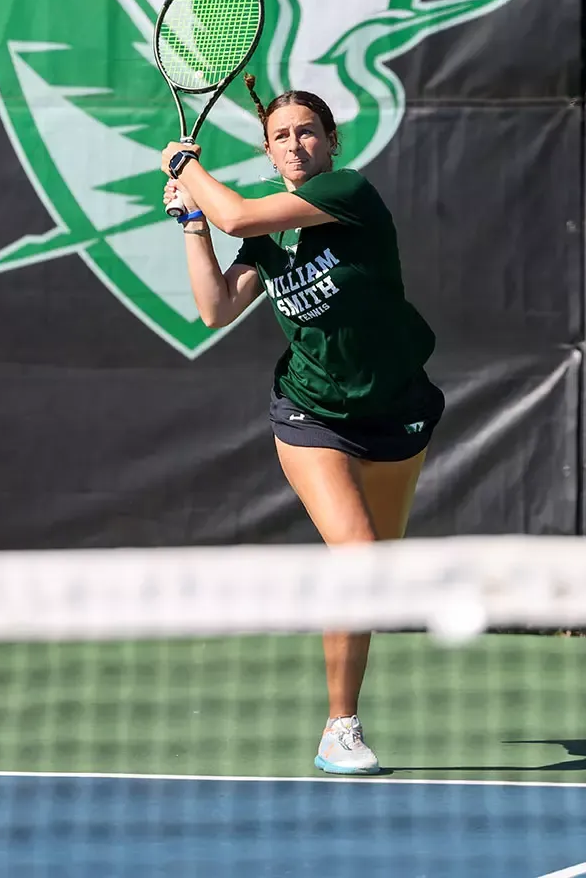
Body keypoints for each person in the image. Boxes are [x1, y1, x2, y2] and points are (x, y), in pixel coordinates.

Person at [159, 77, 444, 776]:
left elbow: (235, 215)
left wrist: (186, 169)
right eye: (282, 134)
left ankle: (344, 710)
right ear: (267, 148)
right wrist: (191, 226)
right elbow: (217, 310)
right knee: (354, 558)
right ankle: (339, 727)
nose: (296, 142)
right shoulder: (269, 232)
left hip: (397, 408)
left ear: (331, 142)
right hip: (311, 411)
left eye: (308, 131)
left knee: (371, 577)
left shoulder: (347, 195)